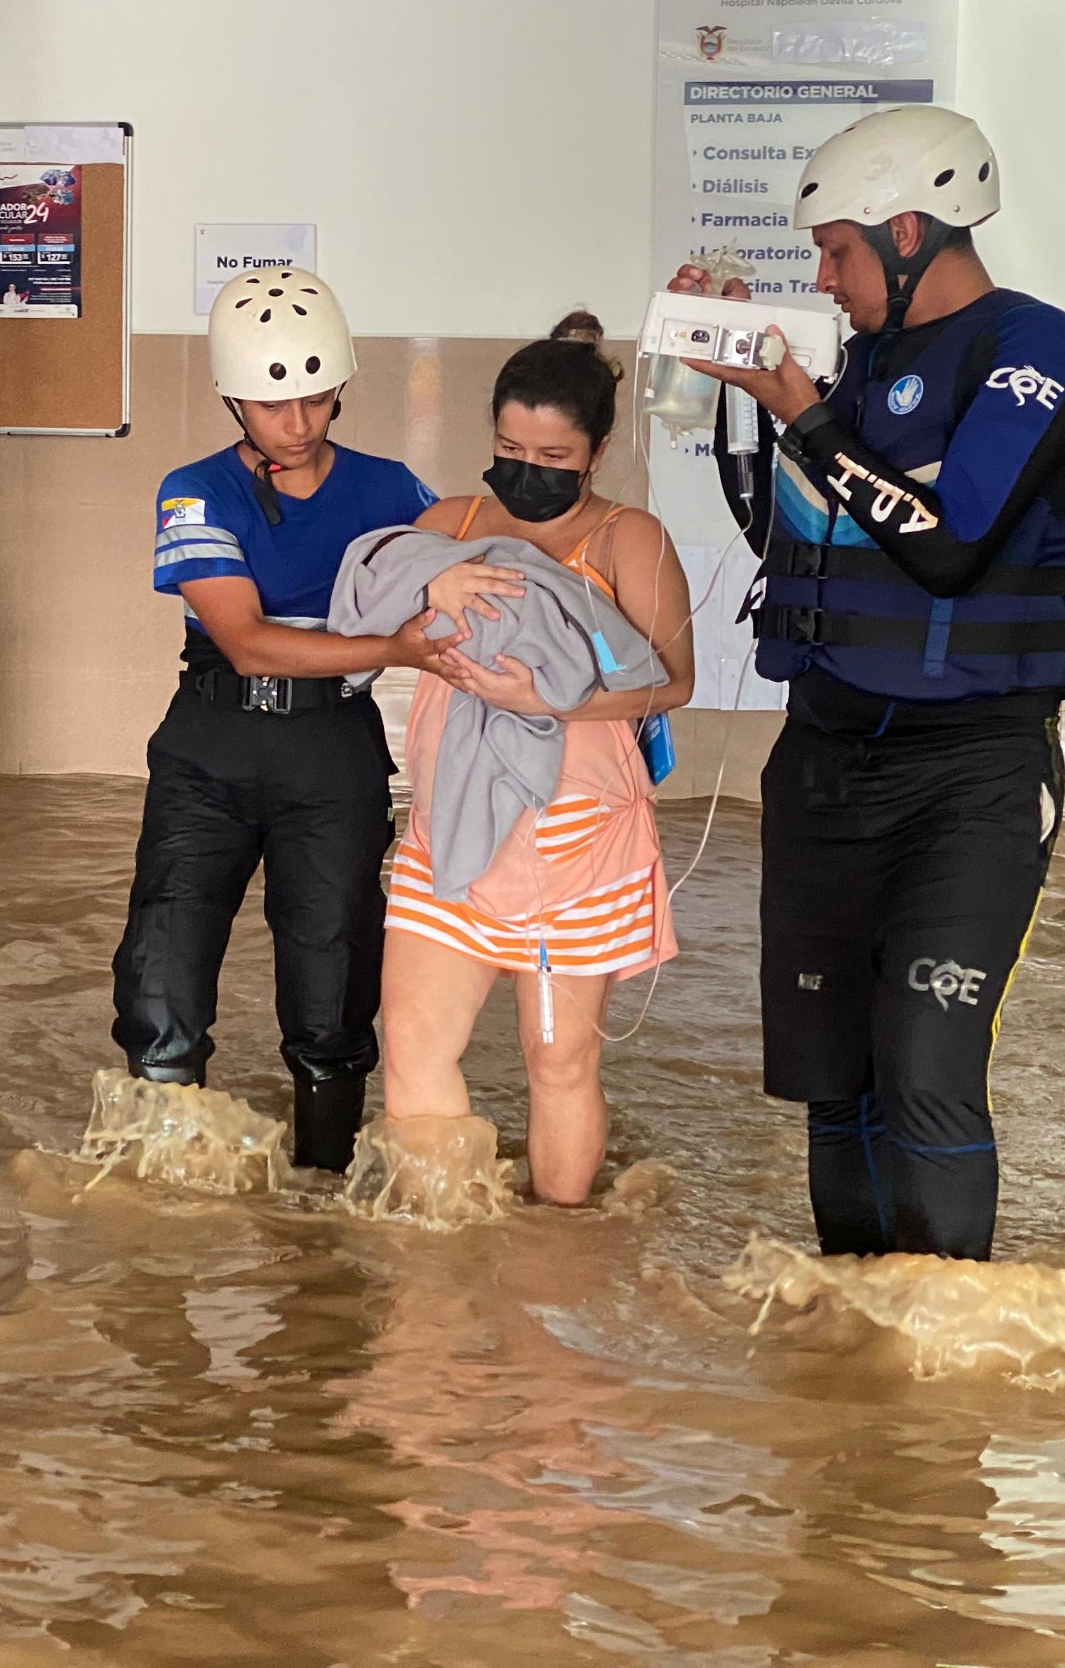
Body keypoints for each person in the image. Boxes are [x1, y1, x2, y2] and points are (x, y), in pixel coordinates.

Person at [677, 105, 1065, 1262]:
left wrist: (797, 408)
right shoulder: (859, 368)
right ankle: (856, 1375)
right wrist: (735, 388)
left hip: (970, 766)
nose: (824, 278)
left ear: (907, 230)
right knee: (834, 1080)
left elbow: (950, 544)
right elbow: (788, 537)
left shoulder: (1036, 349)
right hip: (823, 761)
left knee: (923, 1066)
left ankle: (946, 1380)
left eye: (836, 252)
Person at [110, 268, 522, 1169]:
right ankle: (159, 1206)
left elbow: (480, 567)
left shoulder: (393, 489)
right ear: (232, 400)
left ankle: (323, 1208)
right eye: (270, 404)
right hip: (210, 749)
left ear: (340, 385)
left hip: (331, 755)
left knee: (333, 985)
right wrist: (399, 648)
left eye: (312, 397)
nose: (295, 423)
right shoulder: (193, 491)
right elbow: (248, 642)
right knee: (162, 977)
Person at [374, 337, 696, 1205]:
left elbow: (672, 683)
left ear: (596, 452)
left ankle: (555, 1263)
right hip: (451, 831)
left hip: (574, 849)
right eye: (511, 452)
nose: (529, 471)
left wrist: (545, 700)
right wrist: (426, 602)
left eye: (553, 457)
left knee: (557, 1059)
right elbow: (376, 613)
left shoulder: (631, 540)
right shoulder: (453, 525)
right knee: (409, 1039)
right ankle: (440, 1246)